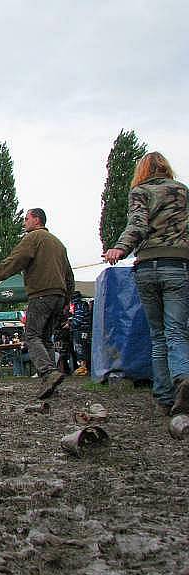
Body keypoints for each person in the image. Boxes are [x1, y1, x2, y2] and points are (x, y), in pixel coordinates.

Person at [104, 152, 189, 416]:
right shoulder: (183, 192)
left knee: (158, 335)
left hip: (149, 266)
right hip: (179, 265)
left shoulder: (140, 191)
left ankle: (164, 397)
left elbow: (138, 225)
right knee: (177, 330)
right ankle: (183, 377)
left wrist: (119, 248)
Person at [0, 208, 74, 400]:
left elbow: (17, 258)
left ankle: (47, 372)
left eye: (26, 219)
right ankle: (51, 384)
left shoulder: (34, 238)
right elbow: (69, 275)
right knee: (46, 339)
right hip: (58, 295)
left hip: (41, 293)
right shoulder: (59, 244)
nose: (24, 222)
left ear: (36, 220)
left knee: (32, 336)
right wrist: (66, 300)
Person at [71, 293, 92, 376]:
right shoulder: (84, 305)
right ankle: (85, 367)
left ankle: (83, 367)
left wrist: (70, 324)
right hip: (86, 330)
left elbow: (77, 321)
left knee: (80, 348)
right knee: (85, 348)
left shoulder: (79, 306)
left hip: (81, 331)